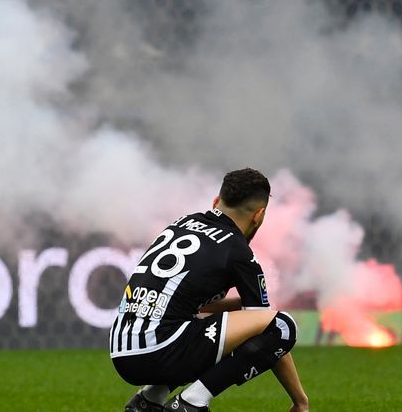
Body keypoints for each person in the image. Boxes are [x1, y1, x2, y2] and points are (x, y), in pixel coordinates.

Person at [112, 169, 308, 412]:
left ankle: (149, 399)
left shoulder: (180, 224)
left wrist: (239, 306)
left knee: (199, 322)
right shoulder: (238, 251)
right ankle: (192, 402)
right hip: (161, 350)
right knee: (282, 326)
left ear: (216, 202)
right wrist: (300, 401)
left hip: (123, 352)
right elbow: (268, 328)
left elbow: (186, 301)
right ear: (259, 215)